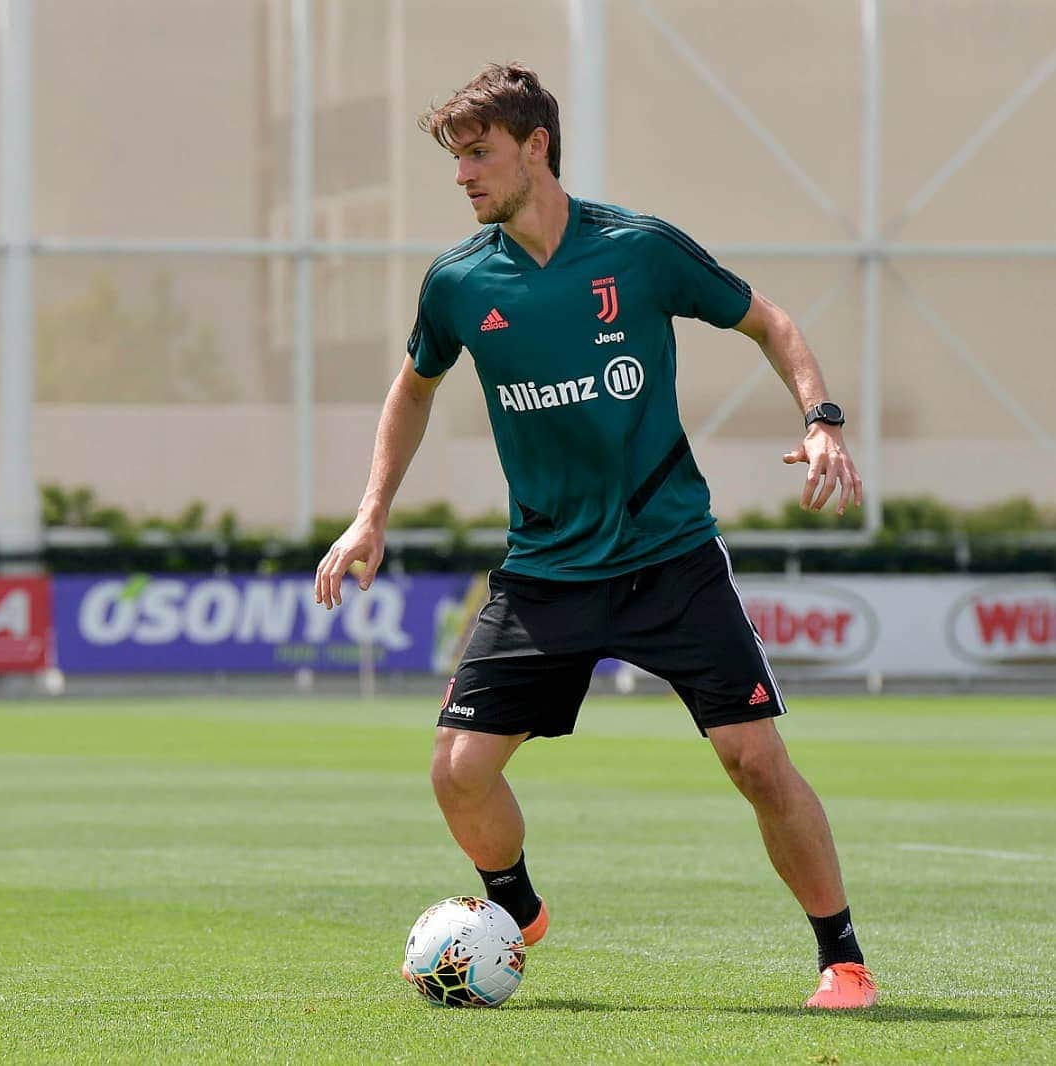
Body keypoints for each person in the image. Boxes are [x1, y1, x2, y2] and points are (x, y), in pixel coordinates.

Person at [315, 63, 875, 1010]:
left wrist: (822, 417)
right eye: (456, 159)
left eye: (479, 153)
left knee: (756, 760)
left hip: (670, 560)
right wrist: (371, 514)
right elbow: (413, 391)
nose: (463, 176)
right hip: (545, 574)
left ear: (537, 147)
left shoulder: (639, 250)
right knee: (458, 773)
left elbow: (768, 321)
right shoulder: (458, 283)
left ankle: (842, 957)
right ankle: (516, 909)